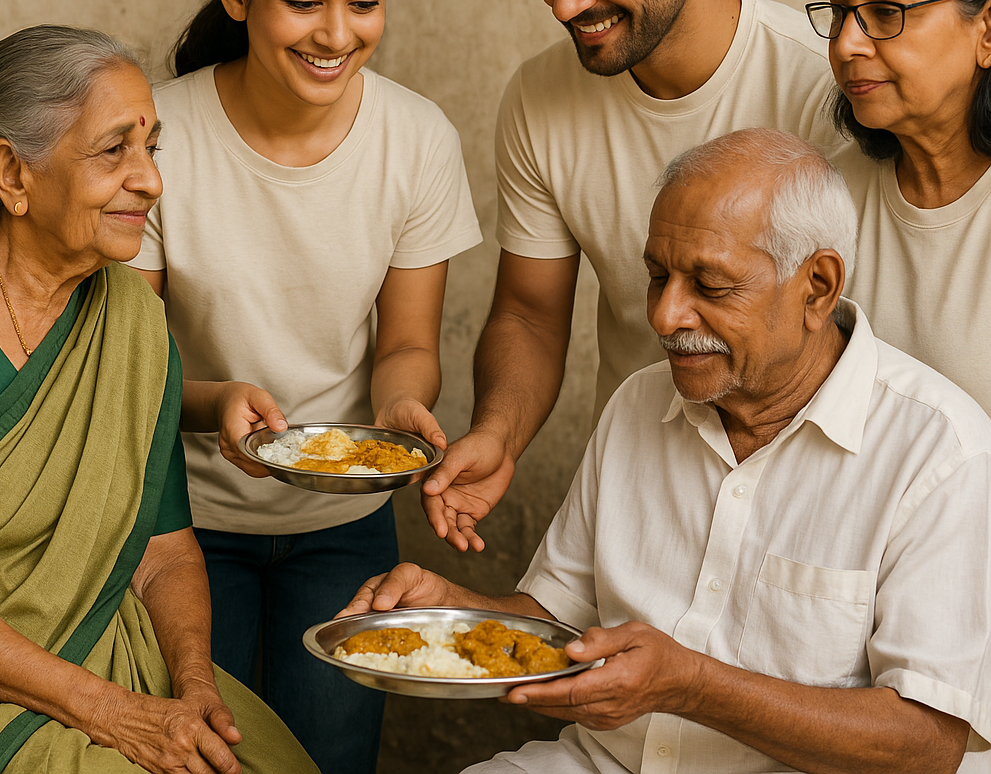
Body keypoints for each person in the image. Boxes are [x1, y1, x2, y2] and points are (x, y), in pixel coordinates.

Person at [346, 128, 990, 774]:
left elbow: (925, 744)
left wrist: (692, 686)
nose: (666, 316)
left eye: (709, 286)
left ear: (817, 287)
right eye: (658, 276)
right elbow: (558, 623)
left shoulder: (939, 452)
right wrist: (454, 615)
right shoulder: (638, 403)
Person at [422, 0, 847, 552]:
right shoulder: (538, 99)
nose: (563, 2)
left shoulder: (824, 85)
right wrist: (500, 434)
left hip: (817, 506)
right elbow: (530, 312)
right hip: (643, 496)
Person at [130, 0, 481, 773]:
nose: (337, 32)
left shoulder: (417, 140)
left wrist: (403, 411)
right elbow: (124, 361)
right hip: (183, 520)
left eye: (364, 1)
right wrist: (212, 406)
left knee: (326, 759)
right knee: (203, 753)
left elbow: (406, 342)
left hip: (344, 525)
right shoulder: (155, 138)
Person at [0, 26, 316, 774]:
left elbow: (161, 553)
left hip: (112, 649)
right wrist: (113, 714)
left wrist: (191, 688)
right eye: (113, 150)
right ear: (12, 174)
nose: (151, 181)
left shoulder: (129, 318)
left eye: (151, 148)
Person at [805, 0, 991, 416]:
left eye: (886, 11)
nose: (845, 45)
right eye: (840, 12)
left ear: (987, 30)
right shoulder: (822, 200)